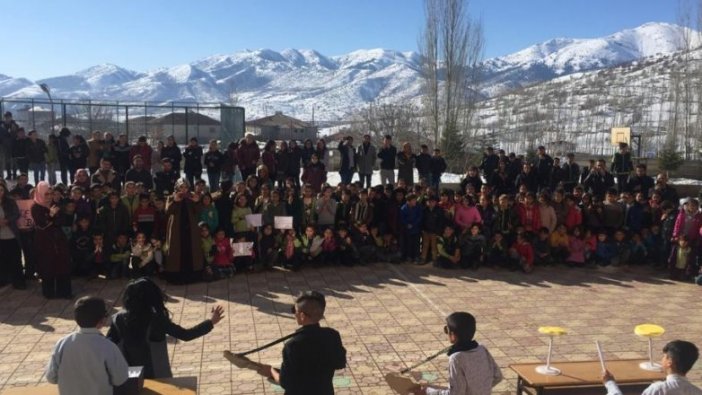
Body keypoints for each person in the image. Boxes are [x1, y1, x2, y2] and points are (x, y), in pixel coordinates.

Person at [107, 278, 225, 378]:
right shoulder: (157, 320)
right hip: (158, 377)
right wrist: (211, 322)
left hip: (129, 376)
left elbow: (108, 343)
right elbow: (186, 335)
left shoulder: (118, 319)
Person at [257, 291, 346, 395]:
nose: (294, 314)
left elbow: (286, 382)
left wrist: (271, 371)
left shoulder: (292, 345)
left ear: (302, 316)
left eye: (295, 310)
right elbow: (340, 363)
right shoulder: (332, 335)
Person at [46, 296, 128, 395]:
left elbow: (51, 377)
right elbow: (120, 379)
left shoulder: (62, 343)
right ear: (103, 320)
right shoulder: (108, 346)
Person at [411, 312, 502, 395]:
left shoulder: (456, 358)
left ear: (453, 335)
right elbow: (498, 376)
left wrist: (427, 392)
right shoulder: (482, 348)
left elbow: (456, 393)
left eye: (447, 330)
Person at [602, 340, 701, 395]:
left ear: (669, 362)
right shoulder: (697, 392)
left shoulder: (658, 389)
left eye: (664, 356)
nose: (661, 360)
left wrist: (610, 384)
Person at [32, 181, 72, 298]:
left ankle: (64, 292)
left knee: (62, 264)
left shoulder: (55, 205)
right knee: (47, 265)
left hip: (58, 239)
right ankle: (49, 293)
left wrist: (52, 218)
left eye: (51, 194)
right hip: (44, 241)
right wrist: (51, 216)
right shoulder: (36, 207)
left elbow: (61, 221)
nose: (49, 197)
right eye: (46, 194)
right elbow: (42, 224)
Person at [163, 178, 203, 284]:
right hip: (177, 229)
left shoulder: (192, 196)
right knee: (177, 251)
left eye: (185, 187)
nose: (184, 189)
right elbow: (168, 211)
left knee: (191, 250)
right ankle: (176, 275)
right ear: (177, 187)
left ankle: (193, 275)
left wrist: (197, 201)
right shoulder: (171, 197)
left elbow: (199, 211)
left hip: (190, 229)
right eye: (181, 187)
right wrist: (175, 202)